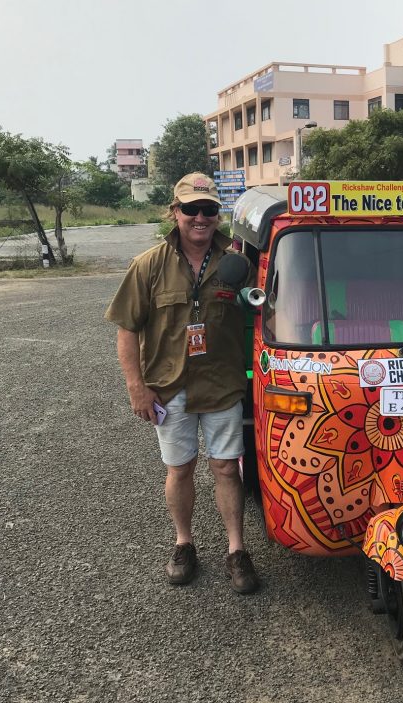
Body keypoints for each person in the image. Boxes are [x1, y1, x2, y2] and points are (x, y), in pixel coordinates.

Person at [105, 172, 261, 589]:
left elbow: (263, 314)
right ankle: (184, 542)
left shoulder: (238, 265)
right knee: (180, 468)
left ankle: (236, 550)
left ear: (217, 214)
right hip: (169, 384)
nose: (200, 217)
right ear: (175, 212)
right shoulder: (149, 265)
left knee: (227, 468)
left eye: (209, 209)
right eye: (191, 208)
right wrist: (136, 387)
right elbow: (126, 328)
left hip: (222, 383)